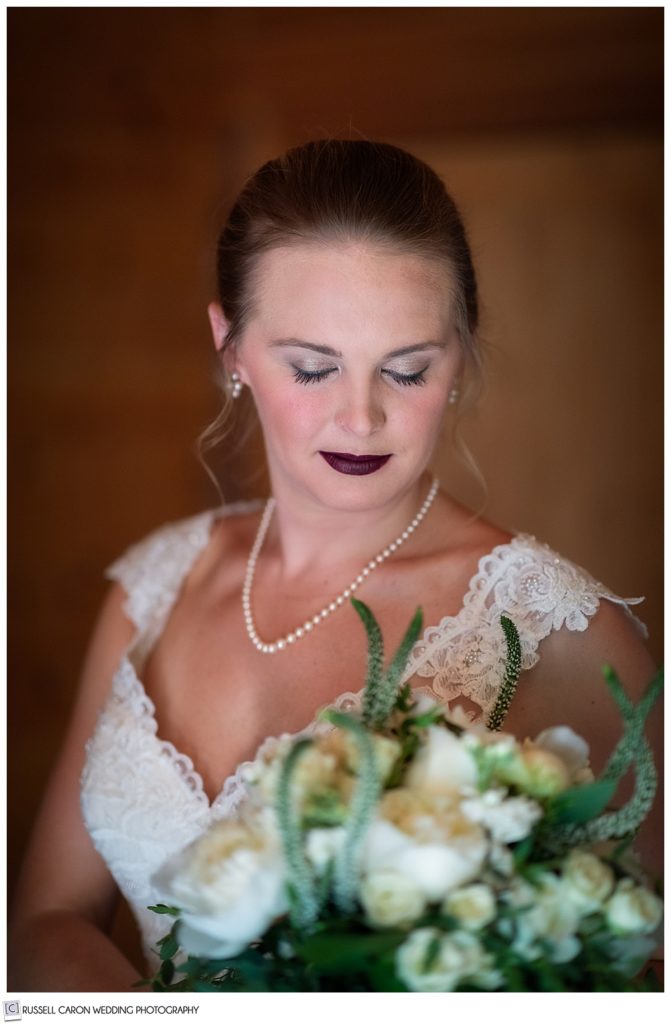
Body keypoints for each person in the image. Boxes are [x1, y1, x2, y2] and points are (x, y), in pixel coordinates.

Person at [9, 140, 662, 991]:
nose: (360, 417)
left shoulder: (553, 630)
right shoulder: (154, 587)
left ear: (459, 354)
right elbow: (44, 920)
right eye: (312, 367)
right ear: (230, 348)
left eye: (406, 368)